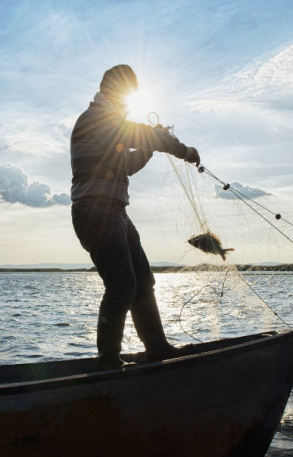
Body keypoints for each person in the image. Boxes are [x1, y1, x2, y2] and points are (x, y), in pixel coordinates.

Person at [70, 64, 201, 371]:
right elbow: (141, 134)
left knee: (143, 282)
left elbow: (127, 164)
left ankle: (157, 348)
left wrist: (151, 146)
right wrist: (184, 150)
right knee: (121, 287)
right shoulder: (95, 120)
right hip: (96, 213)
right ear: (114, 92)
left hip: (114, 212)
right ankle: (107, 363)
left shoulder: (109, 123)